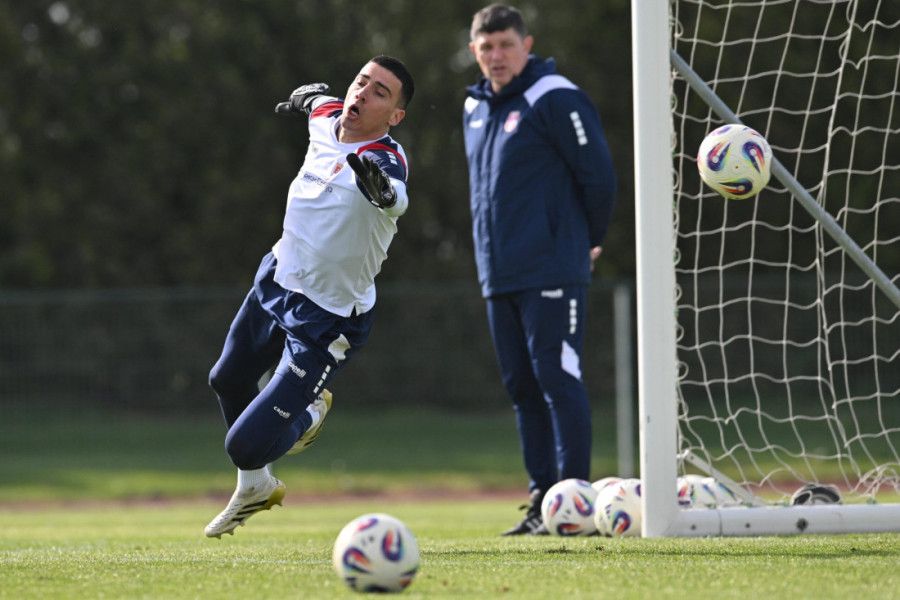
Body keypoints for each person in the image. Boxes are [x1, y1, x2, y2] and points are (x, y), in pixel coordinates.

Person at [204, 55, 415, 539]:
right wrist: (307, 97)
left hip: (327, 319)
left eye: (381, 92)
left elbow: (396, 192)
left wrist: (384, 193)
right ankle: (255, 486)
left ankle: (309, 413)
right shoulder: (329, 118)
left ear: (396, 116)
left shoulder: (385, 158)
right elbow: (319, 102)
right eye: (361, 82)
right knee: (226, 379)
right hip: (276, 280)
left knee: (243, 446)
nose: (363, 93)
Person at [462, 4, 617, 535]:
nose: (497, 56)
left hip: (553, 265)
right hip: (498, 272)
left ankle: (575, 506)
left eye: (506, 44)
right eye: (487, 47)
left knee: (557, 376)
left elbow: (599, 177)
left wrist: (586, 242)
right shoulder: (474, 106)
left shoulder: (555, 96)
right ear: (474, 52)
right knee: (522, 388)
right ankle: (540, 505)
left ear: (527, 45)